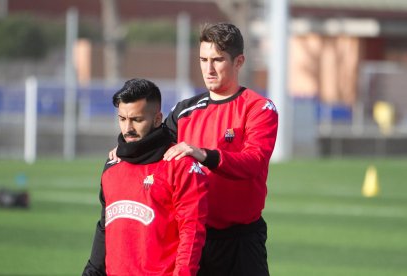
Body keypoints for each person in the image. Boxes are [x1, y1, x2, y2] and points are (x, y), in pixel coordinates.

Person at [111, 22, 278, 275]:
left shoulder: (258, 108)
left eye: (217, 60)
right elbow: (151, 142)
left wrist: (204, 154)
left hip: (241, 242)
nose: (208, 68)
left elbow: (254, 162)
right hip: (192, 239)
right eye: (203, 59)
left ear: (239, 61)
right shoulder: (184, 111)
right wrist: (124, 150)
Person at [83, 78, 208, 276]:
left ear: (157, 119)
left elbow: (191, 232)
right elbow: (104, 228)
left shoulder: (181, 165)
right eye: (122, 119)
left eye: (137, 119)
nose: (128, 128)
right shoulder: (112, 165)